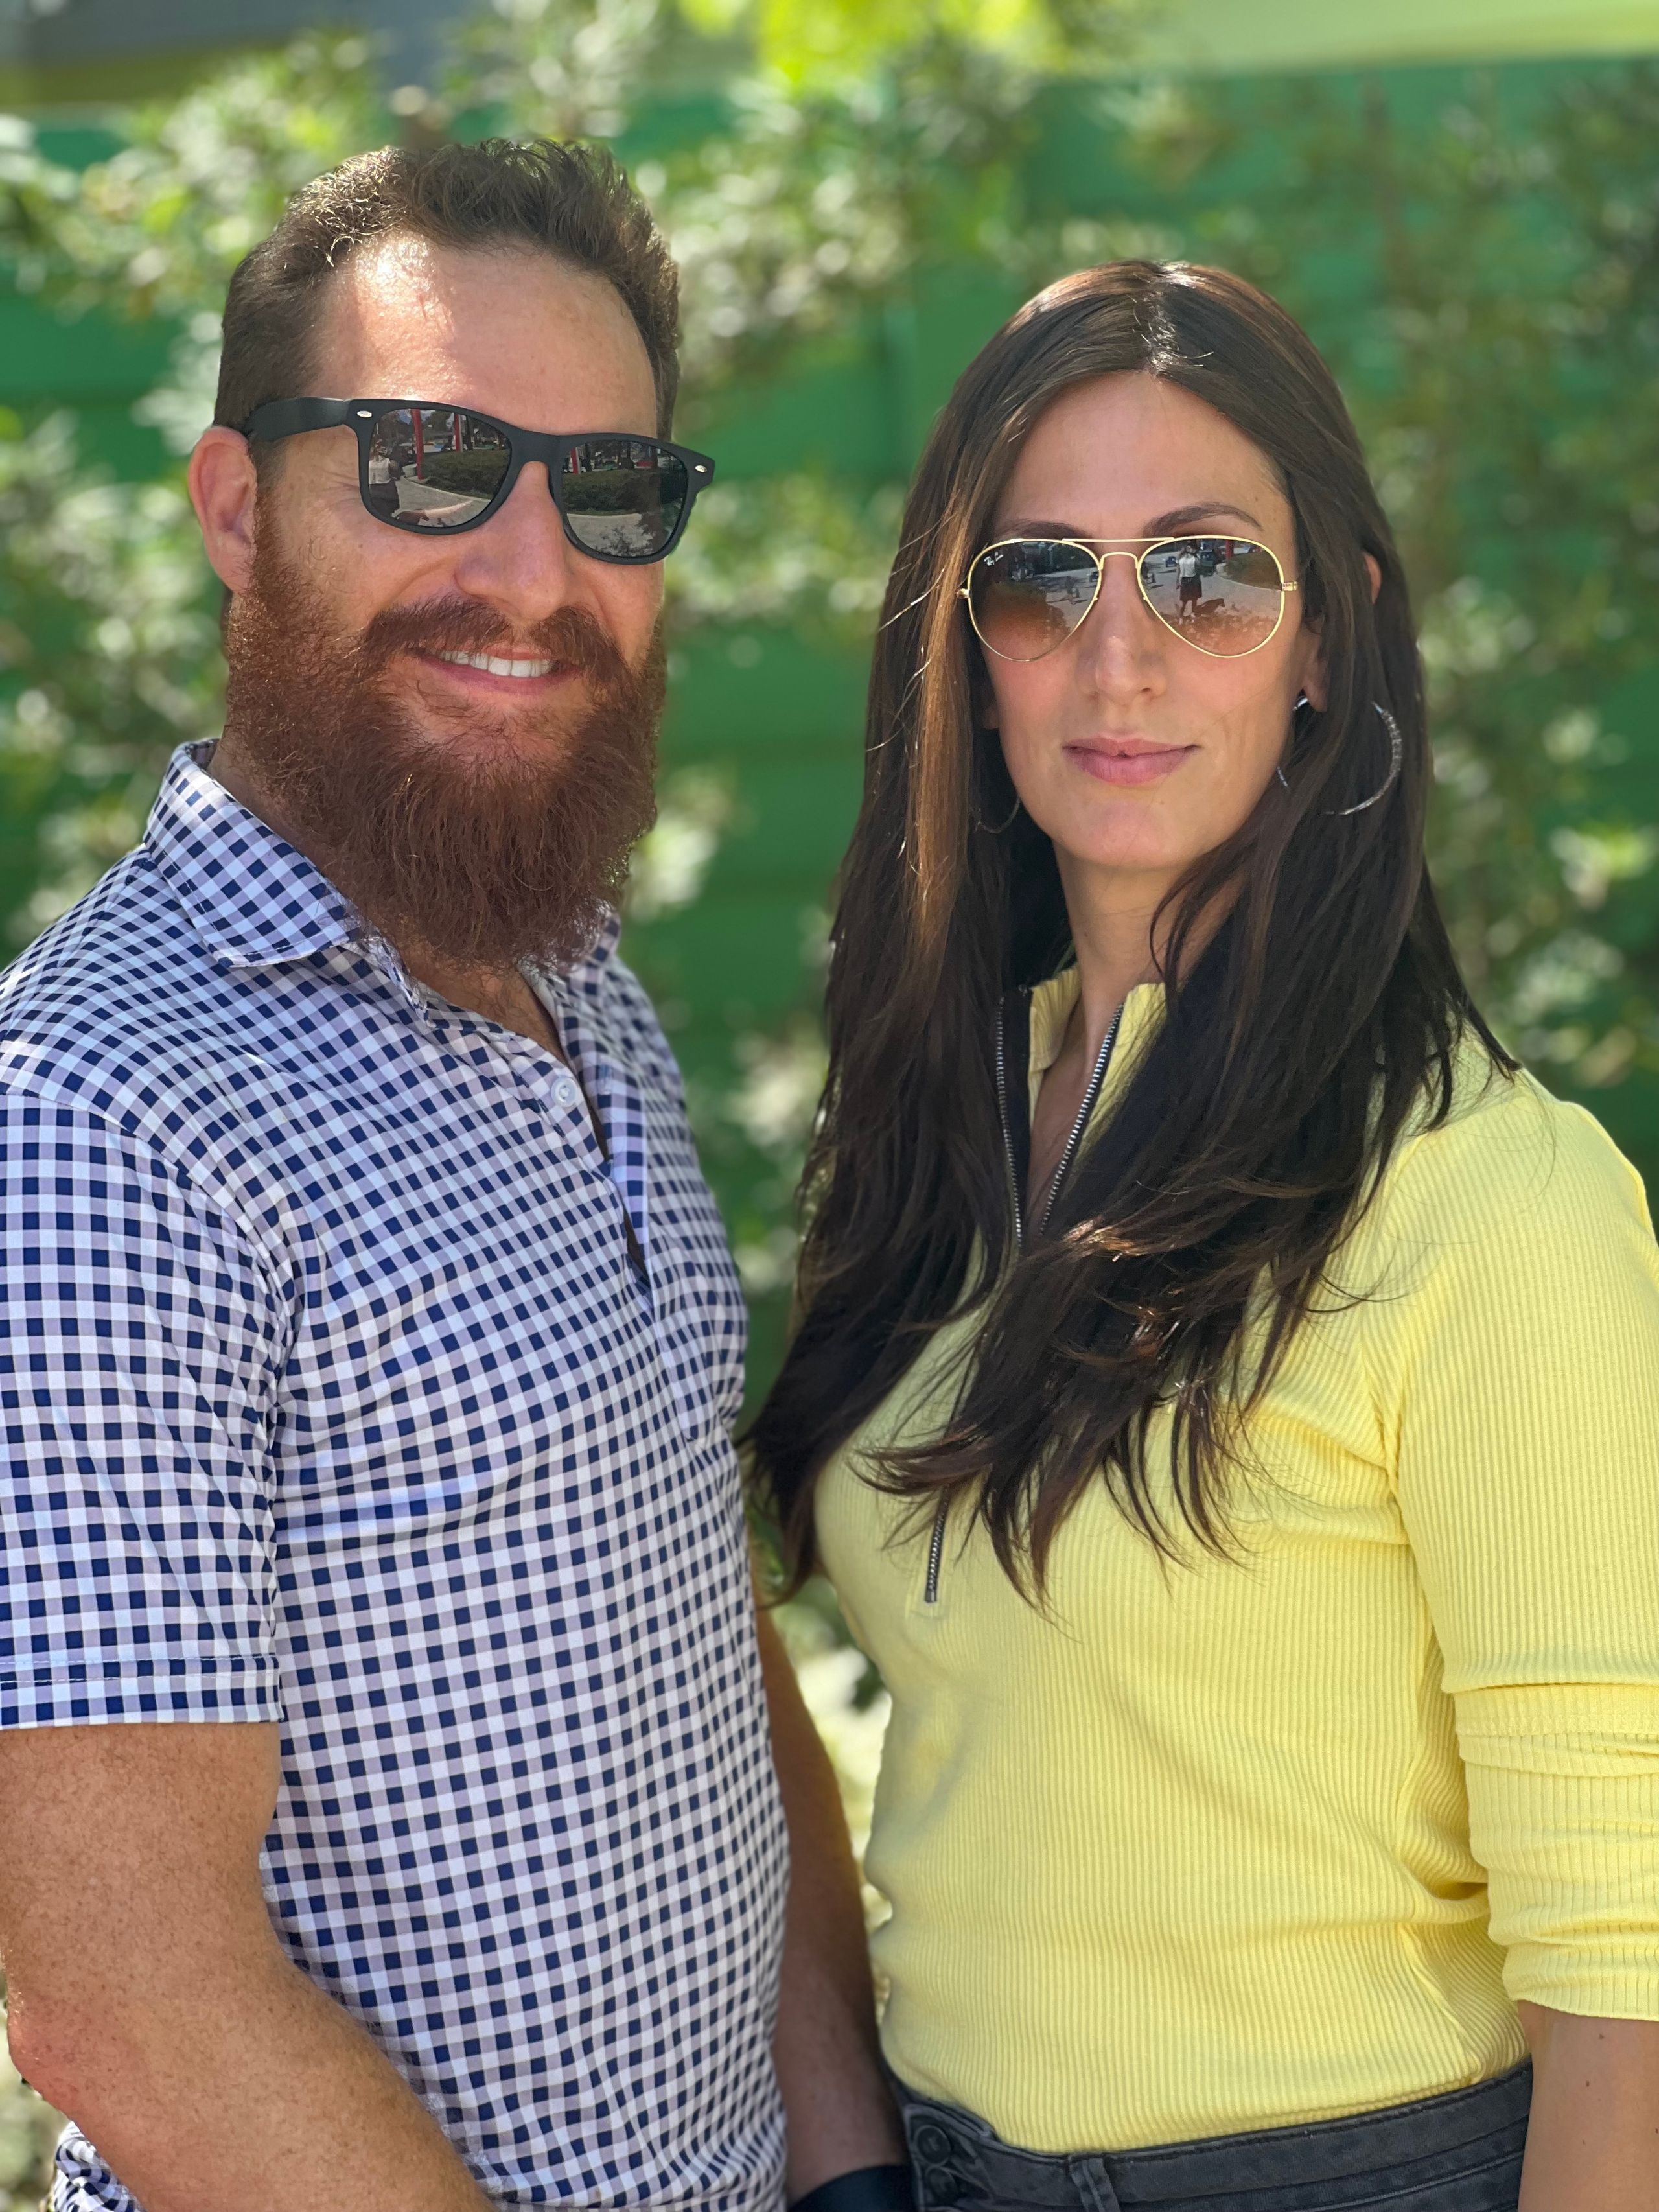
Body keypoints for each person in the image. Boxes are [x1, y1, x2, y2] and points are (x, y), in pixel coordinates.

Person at [0, 139, 903, 2212]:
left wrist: (847, 2165)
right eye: (429, 463)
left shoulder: (572, 972)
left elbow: (692, 1622)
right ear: (237, 509)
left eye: (611, 490)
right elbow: (135, 2011)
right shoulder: (100, 1114)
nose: (531, 567)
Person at [750, 261, 1659, 2211]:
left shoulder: (1493, 1202)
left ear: (1327, 635)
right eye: (1041, 581)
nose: (1121, 659)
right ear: (966, 651)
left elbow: (1631, 1977)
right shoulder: (941, 1146)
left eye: (1209, 576)